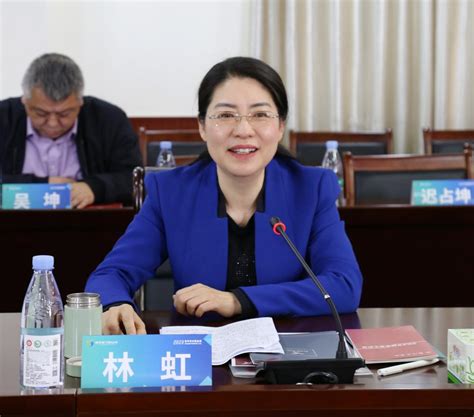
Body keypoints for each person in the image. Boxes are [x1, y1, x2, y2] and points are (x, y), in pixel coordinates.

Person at [85, 56, 363, 335]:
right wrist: (115, 304)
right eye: (226, 115)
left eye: (260, 115)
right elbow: (111, 274)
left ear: (280, 126)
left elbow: (344, 285)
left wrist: (237, 301)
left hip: (288, 352)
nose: (243, 130)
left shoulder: (311, 188)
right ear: (202, 126)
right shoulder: (170, 192)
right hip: (198, 354)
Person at [0, 53, 142, 208]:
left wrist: (95, 188)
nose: (53, 123)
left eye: (64, 114)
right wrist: (40, 186)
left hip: (90, 220)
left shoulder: (109, 119)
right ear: (25, 101)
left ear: (80, 102)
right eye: (41, 113)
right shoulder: (4, 117)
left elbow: (135, 178)